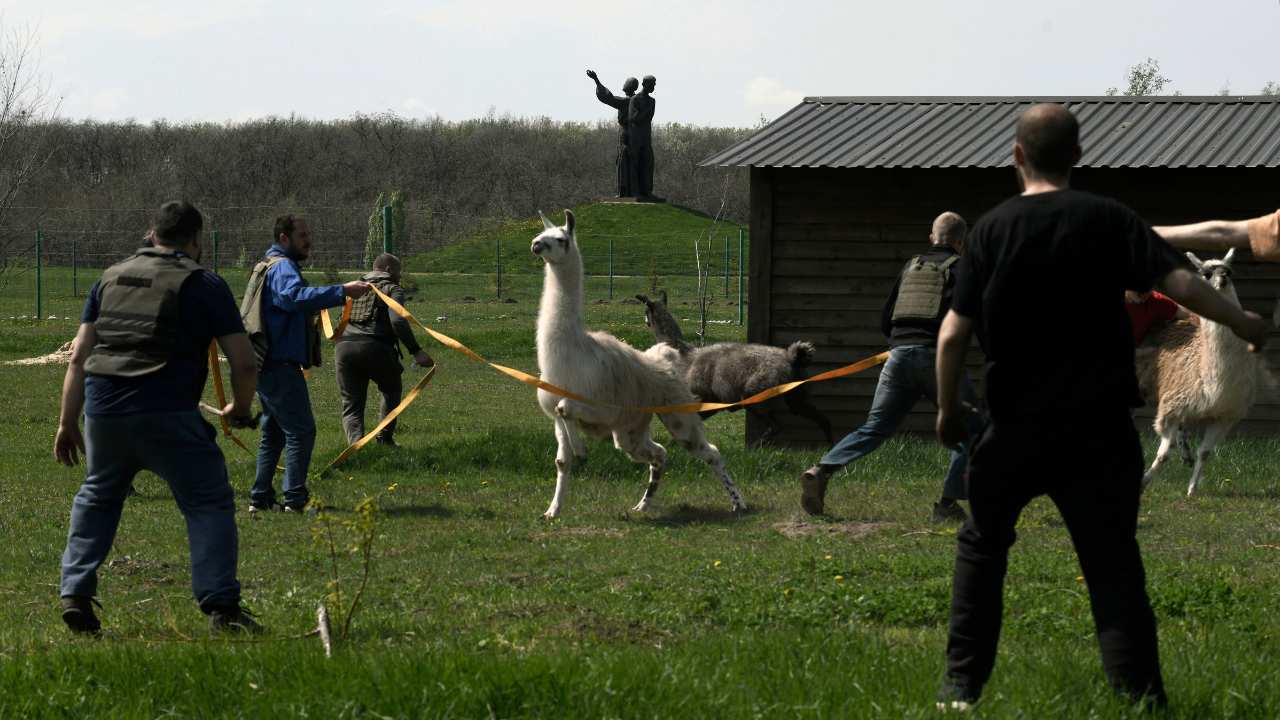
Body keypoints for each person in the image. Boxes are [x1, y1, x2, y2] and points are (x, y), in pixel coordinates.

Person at [933, 103, 1270, 711]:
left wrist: (945, 410)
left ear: (1016, 156)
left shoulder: (989, 230)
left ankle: (960, 689)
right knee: (1113, 565)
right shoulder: (1112, 220)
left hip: (1014, 427)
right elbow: (1185, 285)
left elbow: (953, 335)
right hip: (1098, 430)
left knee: (983, 548)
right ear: (1078, 156)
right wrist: (1241, 318)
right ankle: (1140, 699)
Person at [54, 201, 263, 635]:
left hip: (104, 408)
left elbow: (79, 356)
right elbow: (243, 363)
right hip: (166, 408)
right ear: (195, 240)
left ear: (152, 233)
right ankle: (221, 607)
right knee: (207, 500)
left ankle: (75, 591)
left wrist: (66, 422)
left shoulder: (109, 278)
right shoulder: (204, 283)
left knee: (98, 494)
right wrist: (240, 410)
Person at [799, 211, 982, 522]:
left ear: (931, 238)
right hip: (936, 360)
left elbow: (886, 319)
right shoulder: (963, 268)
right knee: (972, 429)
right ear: (961, 242)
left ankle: (821, 470)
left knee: (875, 428)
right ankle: (947, 505)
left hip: (897, 358)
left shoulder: (911, 267)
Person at [242, 215, 370, 513]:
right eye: (302, 235)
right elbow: (293, 297)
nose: (308, 240)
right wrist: (343, 291)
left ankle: (260, 498)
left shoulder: (266, 265)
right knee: (301, 431)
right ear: (284, 238)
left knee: (273, 434)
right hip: (279, 365)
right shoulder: (283, 267)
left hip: (263, 363)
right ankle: (295, 499)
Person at [334, 253, 433, 447]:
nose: (400, 276)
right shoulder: (392, 288)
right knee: (391, 390)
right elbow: (397, 320)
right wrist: (416, 351)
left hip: (344, 347)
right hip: (376, 347)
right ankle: (384, 440)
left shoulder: (353, 286)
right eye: (398, 271)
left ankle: (356, 447)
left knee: (351, 403)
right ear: (388, 270)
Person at [587, 69, 638, 198]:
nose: (624, 84)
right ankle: (629, 191)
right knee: (627, 162)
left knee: (623, 162)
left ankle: (624, 192)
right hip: (632, 135)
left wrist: (596, 80)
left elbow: (608, 98)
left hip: (626, 135)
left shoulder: (628, 101)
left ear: (629, 86)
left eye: (627, 83)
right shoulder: (635, 101)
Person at [628, 75, 662, 202]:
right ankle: (635, 192)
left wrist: (643, 114)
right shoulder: (635, 99)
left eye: (654, 84)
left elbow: (648, 117)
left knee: (648, 163)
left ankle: (647, 191)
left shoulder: (652, 101)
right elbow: (633, 118)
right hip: (635, 137)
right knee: (635, 164)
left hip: (646, 137)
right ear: (644, 84)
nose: (653, 87)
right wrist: (644, 113)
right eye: (651, 84)